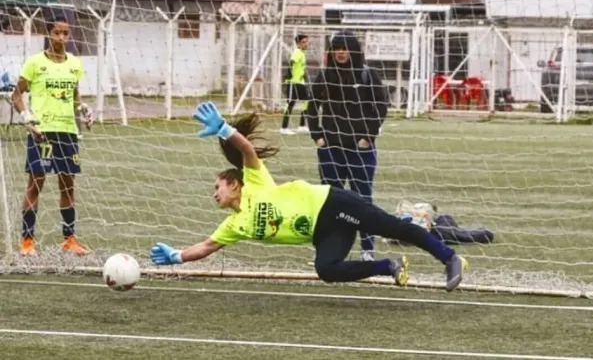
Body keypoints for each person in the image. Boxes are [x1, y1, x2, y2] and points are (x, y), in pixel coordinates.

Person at [150, 102, 468, 291]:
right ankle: (388, 266)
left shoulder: (255, 182)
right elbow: (206, 247)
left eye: (216, 187)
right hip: (324, 232)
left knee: (393, 227)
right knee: (326, 269)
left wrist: (223, 129)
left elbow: (246, 149)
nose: (213, 194)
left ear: (234, 184)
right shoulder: (234, 225)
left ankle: (449, 258)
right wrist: (176, 256)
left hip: (331, 204)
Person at [12, 14, 93, 256]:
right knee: (35, 185)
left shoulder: (75, 64)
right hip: (42, 132)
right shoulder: (35, 63)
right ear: (48, 34)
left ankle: (69, 240)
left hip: (68, 131)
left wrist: (83, 109)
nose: (61, 38)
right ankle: (27, 242)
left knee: (68, 187)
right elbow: (16, 94)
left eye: (65, 33)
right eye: (57, 33)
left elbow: (75, 96)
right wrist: (26, 116)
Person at [306, 30, 388, 262]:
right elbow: (312, 107)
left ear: (353, 50)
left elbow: (380, 106)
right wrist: (318, 137)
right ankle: (328, 251)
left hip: (360, 150)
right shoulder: (325, 76)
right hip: (331, 150)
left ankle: (367, 250)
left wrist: (367, 137)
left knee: (363, 199)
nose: (340, 52)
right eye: (336, 48)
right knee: (329, 202)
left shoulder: (367, 75)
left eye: (344, 48)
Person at [280, 34, 310, 135]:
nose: (306, 44)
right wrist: (288, 75)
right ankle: (284, 128)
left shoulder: (302, 53)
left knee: (307, 101)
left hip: (300, 83)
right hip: (294, 83)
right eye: (303, 42)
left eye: (306, 41)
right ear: (298, 44)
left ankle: (302, 126)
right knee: (290, 104)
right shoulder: (297, 52)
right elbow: (291, 62)